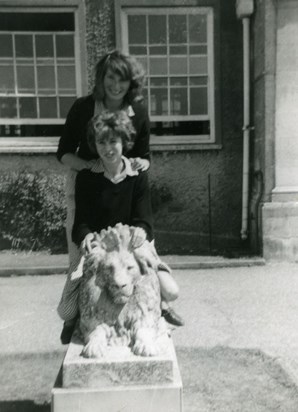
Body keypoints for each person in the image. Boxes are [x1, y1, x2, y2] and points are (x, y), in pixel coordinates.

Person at [57, 111, 184, 343]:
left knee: (171, 290)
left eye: (113, 141)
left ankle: (158, 311)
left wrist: (136, 242)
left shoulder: (137, 175)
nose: (108, 148)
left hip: (133, 245)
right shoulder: (87, 177)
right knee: (66, 310)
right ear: (94, 145)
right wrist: (86, 236)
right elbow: (81, 223)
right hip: (101, 248)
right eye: (101, 142)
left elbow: (144, 220)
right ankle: (79, 321)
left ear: (124, 142)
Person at [57, 50, 150, 267]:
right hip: (87, 186)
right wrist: (89, 166)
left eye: (122, 80)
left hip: (124, 188)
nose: (116, 85)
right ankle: (74, 299)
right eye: (110, 78)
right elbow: (63, 152)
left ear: (131, 82)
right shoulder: (83, 108)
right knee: (83, 261)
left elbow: (144, 157)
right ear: (101, 78)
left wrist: (140, 164)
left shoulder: (139, 111)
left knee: (128, 264)